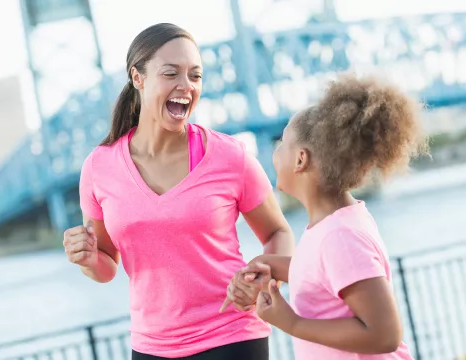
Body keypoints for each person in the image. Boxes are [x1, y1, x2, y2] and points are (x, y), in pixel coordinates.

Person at [62, 23, 295, 360]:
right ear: (138, 78)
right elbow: (106, 264)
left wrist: (263, 275)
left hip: (232, 336)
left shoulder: (231, 156)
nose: (186, 86)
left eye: (195, 76)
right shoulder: (99, 167)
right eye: (171, 73)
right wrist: (85, 259)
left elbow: (277, 231)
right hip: (151, 347)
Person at [222, 74, 428, 359]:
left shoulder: (339, 237)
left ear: (300, 159)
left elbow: (384, 334)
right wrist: (267, 264)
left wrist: (292, 323)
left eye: (282, 143)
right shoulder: (333, 225)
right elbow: (322, 271)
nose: (275, 151)